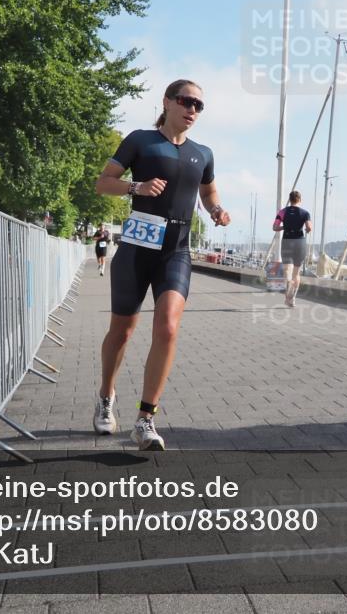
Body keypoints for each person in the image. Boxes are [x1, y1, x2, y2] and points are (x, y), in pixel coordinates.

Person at [92, 79, 230, 450]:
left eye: (200, 105)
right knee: (122, 331)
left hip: (177, 250)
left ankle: (145, 419)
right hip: (138, 246)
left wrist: (216, 208)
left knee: (168, 326)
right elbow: (103, 183)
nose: (193, 110)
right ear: (167, 102)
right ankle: (107, 395)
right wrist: (135, 188)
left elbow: (207, 190)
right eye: (187, 101)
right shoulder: (140, 140)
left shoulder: (203, 153)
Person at [272, 191, 312, 307]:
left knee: (287, 272)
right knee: (296, 273)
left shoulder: (282, 212)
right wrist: (307, 230)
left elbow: (274, 227)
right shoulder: (305, 213)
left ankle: (288, 295)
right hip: (299, 242)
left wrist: (284, 226)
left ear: (290, 200)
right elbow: (309, 227)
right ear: (300, 200)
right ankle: (292, 298)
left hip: (287, 242)